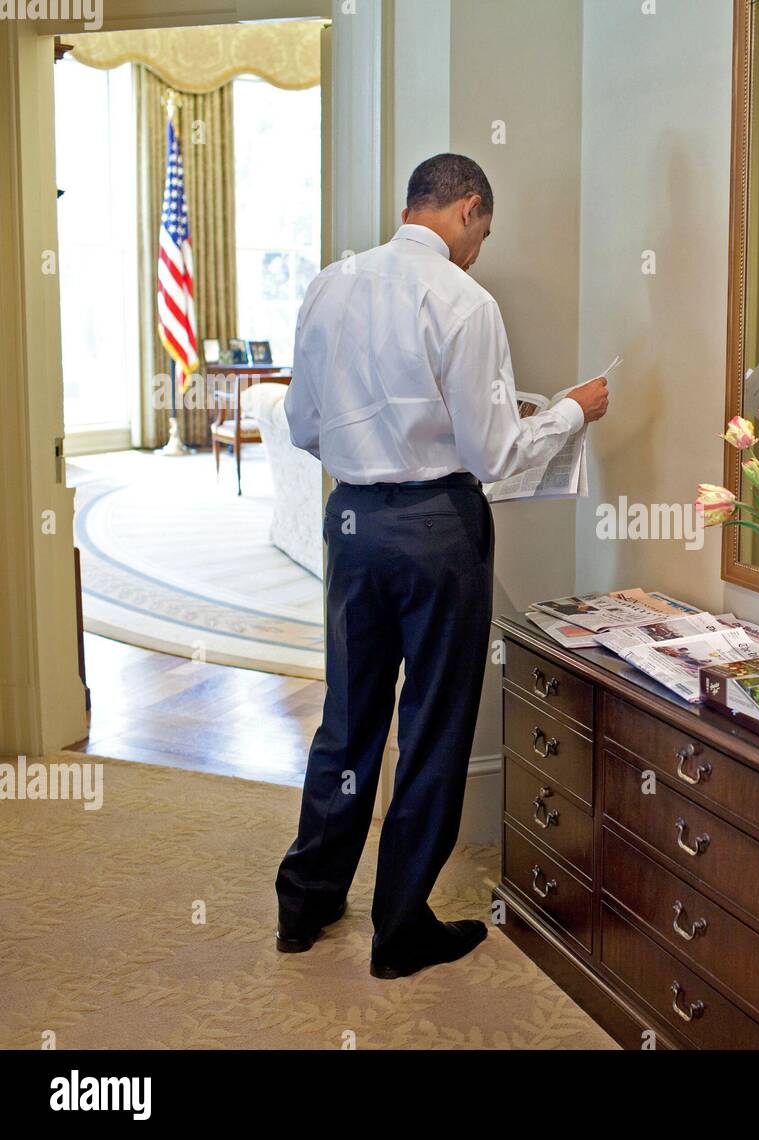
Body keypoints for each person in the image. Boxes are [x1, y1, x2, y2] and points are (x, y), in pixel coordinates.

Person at [274, 154, 610, 979]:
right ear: (465, 209)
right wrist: (572, 410)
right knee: (432, 725)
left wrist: (369, 457)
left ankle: (306, 902)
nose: (477, 251)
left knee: (348, 719)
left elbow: (302, 425)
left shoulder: (331, 283)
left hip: (351, 521)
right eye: (482, 234)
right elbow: (492, 452)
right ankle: (400, 931)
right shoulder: (465, 302)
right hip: (437, 530)